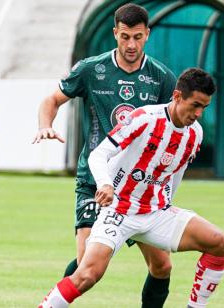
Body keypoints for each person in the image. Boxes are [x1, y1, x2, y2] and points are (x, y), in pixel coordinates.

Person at [38, 68, 224, 308]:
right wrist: (106, 184)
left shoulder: (195, 134)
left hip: (154, 212)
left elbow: (175, 174)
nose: (199, 113)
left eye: (205, 107)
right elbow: (98, 155)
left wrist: (165, 204)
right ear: (178, 96)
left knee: (218, 242)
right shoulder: (144, 118)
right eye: (195, 105)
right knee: (87, 274)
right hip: (119, 210)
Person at [32, 3, 177, 307]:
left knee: (162, 265)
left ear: (147, 34)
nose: (131, 45)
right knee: (88, 265)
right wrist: (45, 125)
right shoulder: (91, 69)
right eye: (125, 37)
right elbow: (52, 99)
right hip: (94, 181)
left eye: (137, 37)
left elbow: (172, 126)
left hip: (137, 188)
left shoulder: (162, 77)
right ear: (115, 33)